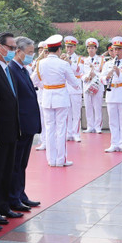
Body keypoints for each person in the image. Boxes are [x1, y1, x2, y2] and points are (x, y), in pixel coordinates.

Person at [0, 33, 22, 223]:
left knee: (7, 170)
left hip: (12, 129)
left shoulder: (7, 68)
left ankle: (4, 205)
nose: (14, 51)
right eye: (11, 47)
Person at [31, 34, 80, 167]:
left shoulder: (40, 63)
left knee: (49, 129)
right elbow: (74, 82)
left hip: (47, 97)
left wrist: (44, 86)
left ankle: (51, 160)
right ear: (59, 49)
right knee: (61, 129)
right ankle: (60, 159)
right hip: (61, 98)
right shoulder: (63, 64)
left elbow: (33, 80)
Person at [10, 37, 42, 211]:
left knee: (22, 163)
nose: (32, 55)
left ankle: (21, 194)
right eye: (29, 52)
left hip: (29, 124)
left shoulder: (22, 69)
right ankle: (14, 197)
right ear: (18, 51)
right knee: (16, 164)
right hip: (21, 124)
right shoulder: (12, 69)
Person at [101, 36, 122, 153]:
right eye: (115, 49)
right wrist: (107, 77)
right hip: (111, 94)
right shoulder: (108, 64)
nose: (116, 51)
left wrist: (120, 74)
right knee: (113, 121)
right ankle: (114, 143)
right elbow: (101, 78)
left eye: (119, 49)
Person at [63, 36, 85, 142]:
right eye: (67, 47)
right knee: (67, 112)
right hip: (65, 87)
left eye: (71, 47)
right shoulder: (62, 58)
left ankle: (76, 133)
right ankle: (69, 132)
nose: (69, 49)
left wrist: (70, 62)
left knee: (76, 112)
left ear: (75, 47)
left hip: (75, 87)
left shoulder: (80, 59)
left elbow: (80, 70)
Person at [82, 37, 104, 133]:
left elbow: (103, 73)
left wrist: (95, 75)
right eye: (89, 48)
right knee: (88, 106)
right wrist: (85, 77)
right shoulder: (84, 60)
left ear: (96, 49)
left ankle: (98, 126)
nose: (90, 50)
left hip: (97, 85)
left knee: (97, 106)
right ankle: (90, 126)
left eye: (92, 48)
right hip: (87, 85)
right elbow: (81, 73)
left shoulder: (101, 60)